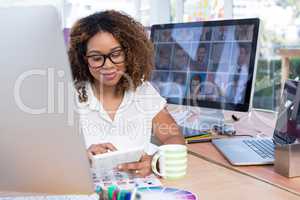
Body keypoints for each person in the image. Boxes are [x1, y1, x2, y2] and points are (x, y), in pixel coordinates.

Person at [68, 10, 185, 177]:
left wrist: (156, 161)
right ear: (83, 59)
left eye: (116, 54)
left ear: (130, 53)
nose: (108, 65)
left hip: (136, 189)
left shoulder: (143, 92)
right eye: (96, 58)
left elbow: (174, 137)